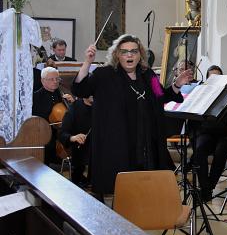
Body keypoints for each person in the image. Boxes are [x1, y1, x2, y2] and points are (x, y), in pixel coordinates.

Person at [72, 34, 192, 197]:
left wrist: (177, 84)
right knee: (119, 188)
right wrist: (87, 62)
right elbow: (80, 90)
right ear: (117, 55)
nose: (129, 55)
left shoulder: (148, 75)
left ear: (140, 54)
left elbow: (161, 96)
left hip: (145, 142)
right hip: (116, 141)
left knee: (145, 187)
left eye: (134, 51)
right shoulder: (104, 74)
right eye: (124, 52)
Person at [192, 66, 227, 202]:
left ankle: (209, 187)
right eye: (212, 78)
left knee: (221, 150)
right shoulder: (201, 94)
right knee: (200, 148)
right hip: (206, 132)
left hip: (226, 134)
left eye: (218, 77)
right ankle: (204, 186)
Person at [33, 66, 74, 165]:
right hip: (44, 135)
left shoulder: (62, 95)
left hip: (61, 132)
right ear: (43, 81)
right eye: (51, 79)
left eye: (57, 79)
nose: (55, 81)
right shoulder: (36, 97)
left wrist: (72, 103)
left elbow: (70, 115)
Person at [58, 96, 93, 187]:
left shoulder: (101, 107)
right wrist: (73, 137)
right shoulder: (74, 108)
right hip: (80, 153)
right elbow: (62, 134)